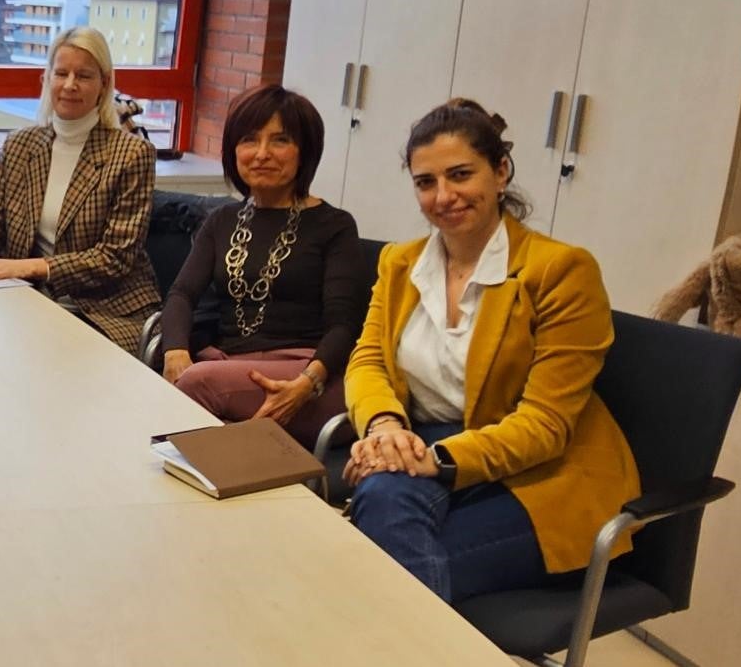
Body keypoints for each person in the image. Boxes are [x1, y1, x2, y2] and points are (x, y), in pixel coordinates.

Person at [342, 99, 640, 603]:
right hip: (427, 443)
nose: (444, 196)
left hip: (544, 477)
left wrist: (431, 459)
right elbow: (368, 359)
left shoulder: (561, 271)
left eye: (461, 175)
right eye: (425, 182)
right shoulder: (400, 263)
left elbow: (544, 427)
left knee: (371, 571)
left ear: (500, 172)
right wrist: (385, 428)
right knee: (379, 526)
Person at [157, 84, 363, 445]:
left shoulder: (335, 225)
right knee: (179, 375)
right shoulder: (221, 220)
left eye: (280, 141)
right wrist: (175, 351)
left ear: (305, 152)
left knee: (195, 385)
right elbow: (182, 293)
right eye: (249, 140)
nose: (262, 154)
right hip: (228, 366)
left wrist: (306, 383)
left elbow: (344, 325)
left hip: (307, 375)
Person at [0, 27, 158, 353]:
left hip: (105, 308)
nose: (69, 85)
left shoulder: (131, 154)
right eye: (61, 73)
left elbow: (115, 258)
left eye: (83, 75)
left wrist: (28, 267)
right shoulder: (21, 144)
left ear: (104, 84)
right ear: (46, 79)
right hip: (29, 297)